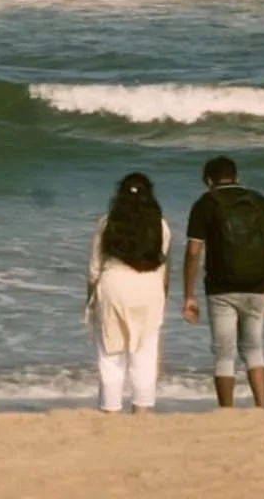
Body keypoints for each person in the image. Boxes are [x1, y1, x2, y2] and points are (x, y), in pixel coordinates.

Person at [181, 155, 264, 408]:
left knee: (224, 353)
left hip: (221, 287)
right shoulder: (260, 201)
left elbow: (193, 251)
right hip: (257, 283)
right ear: (237, 177)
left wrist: (189, 294)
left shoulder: (205, 203)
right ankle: (262, 407)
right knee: (254, 349)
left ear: (208, 180)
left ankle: (227, 410)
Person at [87, 172, 172, 415]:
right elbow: (163, 265)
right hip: (149, 286)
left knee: (111, 352)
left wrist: (91, 299)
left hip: (114, 284)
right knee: (145, 353)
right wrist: (163, 297)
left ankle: (111, 410)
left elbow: (94, 267)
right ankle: (142, 411)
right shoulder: (161, 225)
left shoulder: (107, 222)